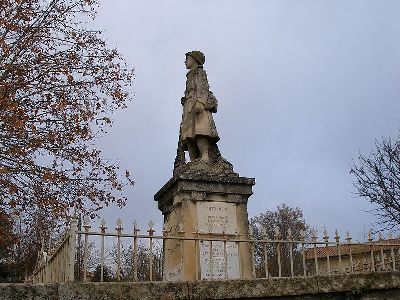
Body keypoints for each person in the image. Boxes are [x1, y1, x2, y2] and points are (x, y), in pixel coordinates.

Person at [180, 51, 219, 162]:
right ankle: (193, 161)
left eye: (187, 59)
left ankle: (205, 156)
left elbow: (203, 88)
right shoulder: (190, 75)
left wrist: (201, 103)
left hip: (197, 106)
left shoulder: (199, 72)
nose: (185, 62)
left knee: (200, 131)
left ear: (194, 60)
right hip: (189, 106)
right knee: (188, 135)